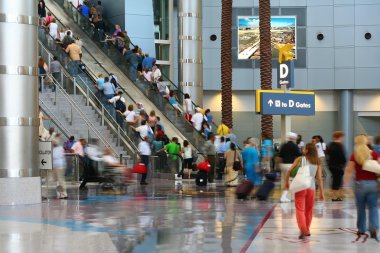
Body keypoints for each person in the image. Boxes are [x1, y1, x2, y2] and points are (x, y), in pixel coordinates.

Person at [285, 143, 325, 240]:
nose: (303, 149)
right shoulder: (317, 161)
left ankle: (303, 229)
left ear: (307, 150)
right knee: (309, 210)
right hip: (311, 188)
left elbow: (289, 171)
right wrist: (322, 193)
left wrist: (287, 182)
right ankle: (307, 229)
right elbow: (319, 178)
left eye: (304, 148)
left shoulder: (300, 159)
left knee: (300, 209)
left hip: (300, 187)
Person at [343, 134, 379, 241]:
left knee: (361, 208)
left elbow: (349, 171)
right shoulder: (374, 154)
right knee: (373, 207)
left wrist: (346, 184)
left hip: (360, 185)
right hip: (373, 184)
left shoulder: (354, 155)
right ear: (366, 142)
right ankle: (373, 227)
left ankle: (361, 229)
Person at [278, 132, 302, 203]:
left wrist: (279, 165)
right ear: (294, 138)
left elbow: (280, 156)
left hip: (283, 165)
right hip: (291, 165)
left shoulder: (284, 145)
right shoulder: (295, 146)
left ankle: (286, 196)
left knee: (285, 181)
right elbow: (299, 156)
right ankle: (287, 197)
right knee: (291, 181)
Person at [327, 131, 347, 201]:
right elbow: (342, 157)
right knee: (337, 180)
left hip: (331, 165)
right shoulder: (339, 145)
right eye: (342, 137)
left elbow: (327, 154)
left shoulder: (331, 144)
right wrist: (344, 164)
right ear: (340, 137)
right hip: (338, 166)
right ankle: (334, 196)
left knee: (335, 180)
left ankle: (334, 195)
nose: (343, 138)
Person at [52, 134, 68, 199]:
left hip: (59, 166)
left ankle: (64, 193)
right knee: (58, 180)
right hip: (57, 166)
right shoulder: (56, 148)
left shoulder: (58, 148)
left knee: (60, 180)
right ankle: (60, 193)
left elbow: (55, 156)